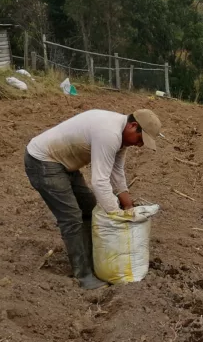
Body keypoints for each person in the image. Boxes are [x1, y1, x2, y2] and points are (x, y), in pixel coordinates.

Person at [25, 108, 162, 290]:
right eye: (140, 139)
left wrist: (127, 205)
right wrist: (115, 214)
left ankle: (93, 258)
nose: (140, 145)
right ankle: (83, 275)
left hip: (64, 164)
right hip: (43, 162)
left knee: (88, 209)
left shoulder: (121, 137)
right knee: (71, 217)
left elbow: (117, 172)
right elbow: (99, 182)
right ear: (133, 125)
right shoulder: (109, 134)